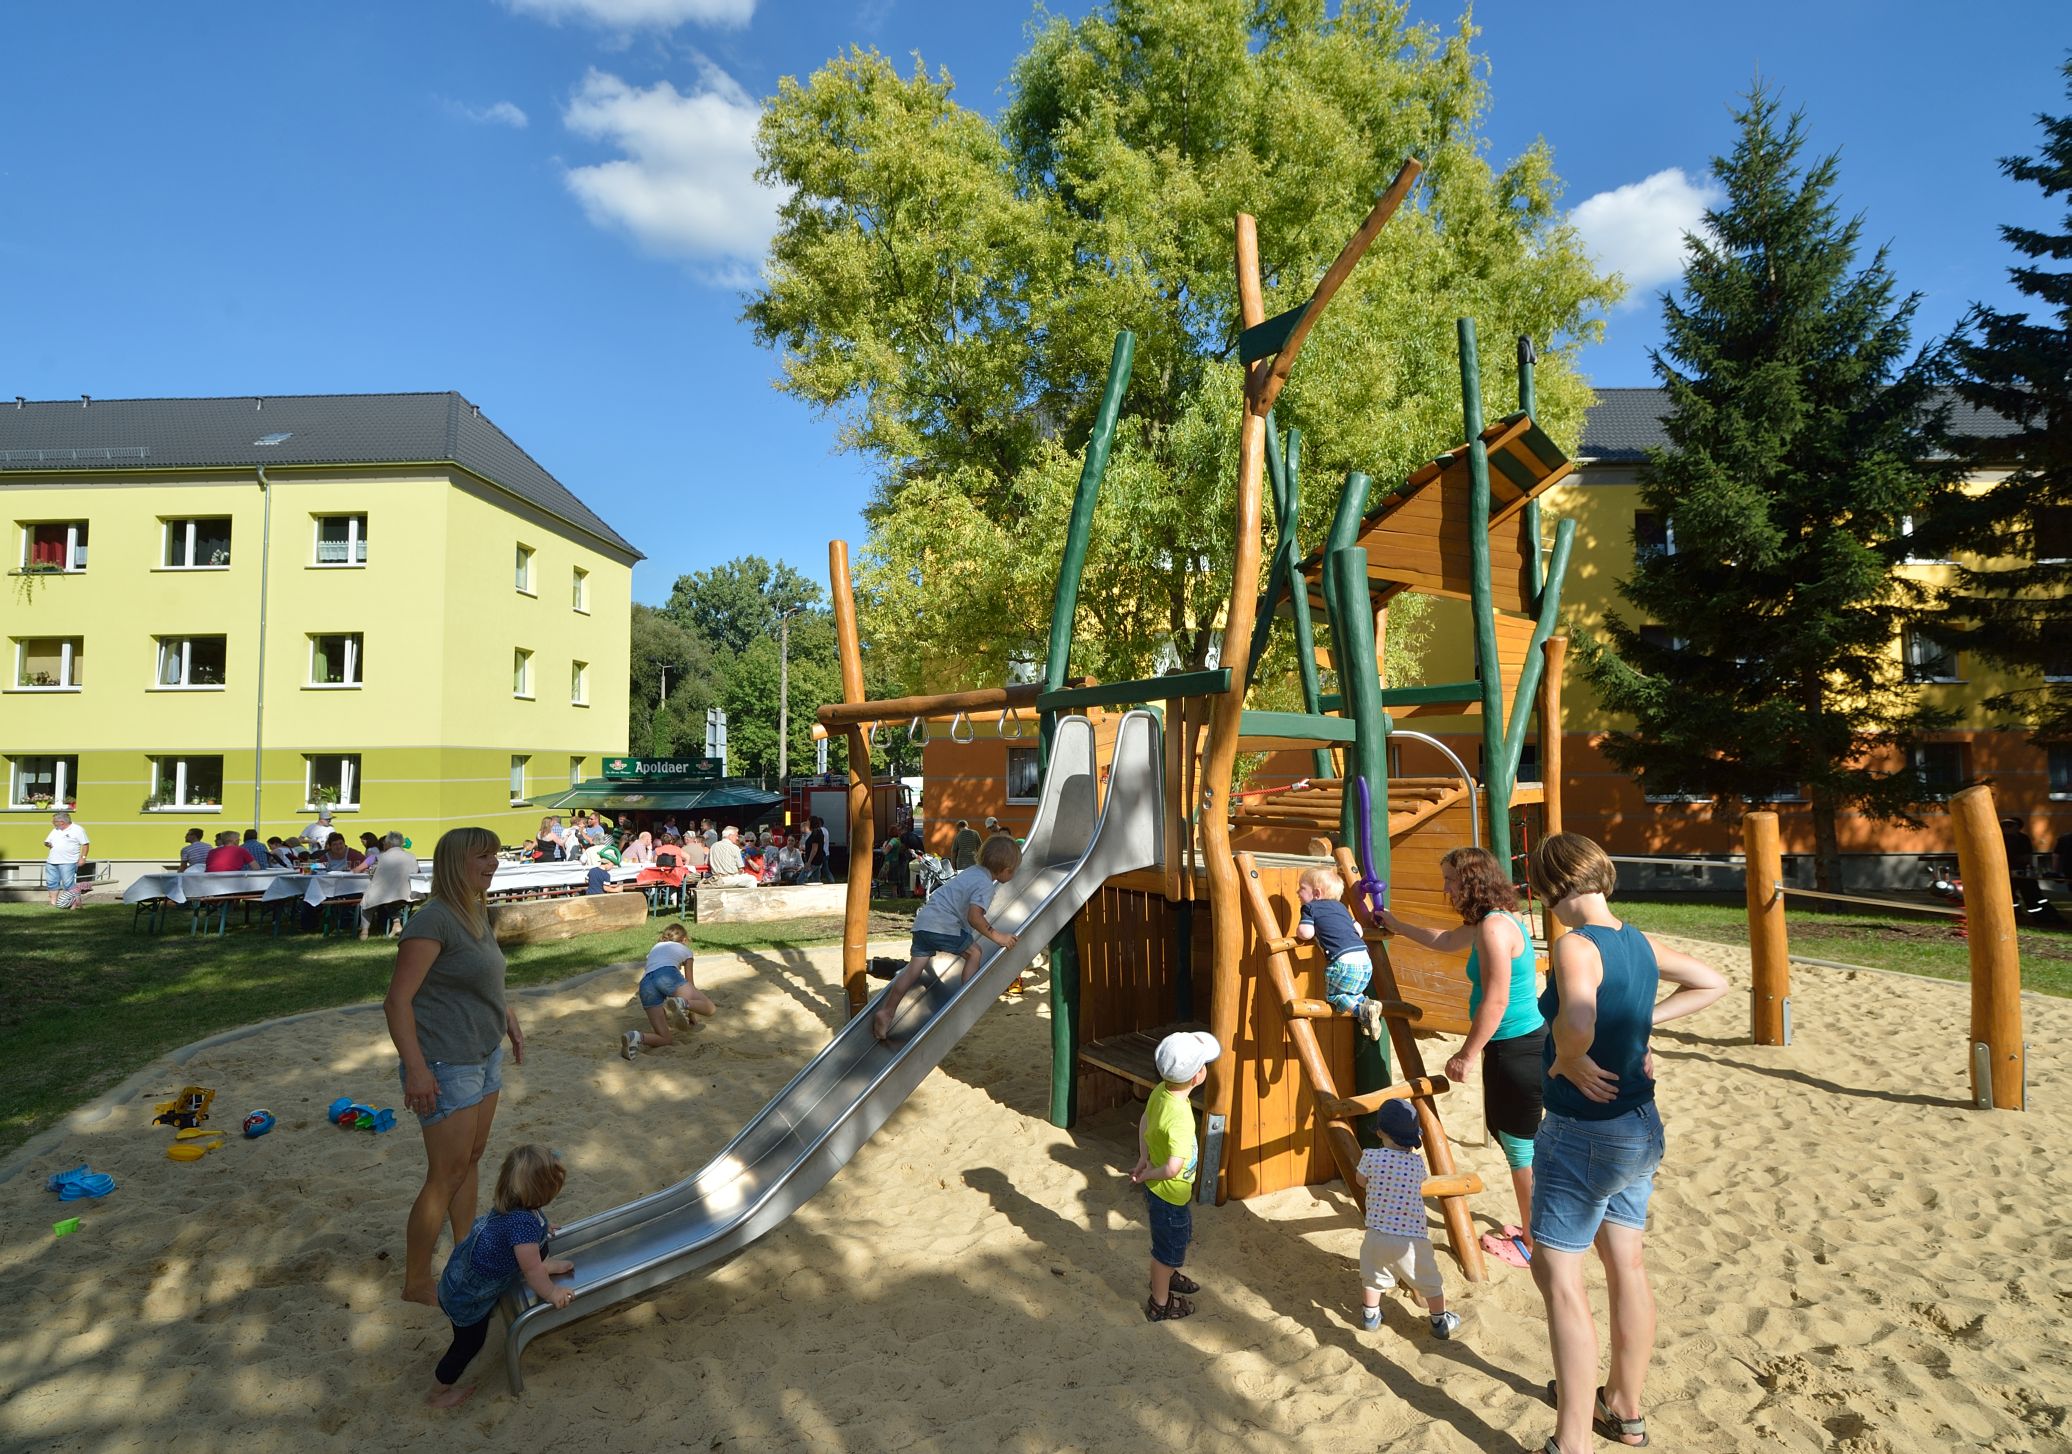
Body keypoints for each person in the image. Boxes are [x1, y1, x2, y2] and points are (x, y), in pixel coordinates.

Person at [1525, 833, 1728, 1454]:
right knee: (1627, 1266)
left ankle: (1573, 1441)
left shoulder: (1575, 944)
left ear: (1554, 887)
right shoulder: (1637, 940)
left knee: (1560, 1279)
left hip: (1582, 1132)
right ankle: (1623, 1407)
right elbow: (1711, 982)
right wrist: (1642, 1024)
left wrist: (1569, 1056)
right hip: (1639, 1126)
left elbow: (1579, 1016)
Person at [1377, 844, 1545, 1265]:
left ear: (1471, 881)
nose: (1446, 889)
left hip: (1517, 1050)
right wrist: (1397, 925)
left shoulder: (1494, 929)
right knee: (1516, 1141)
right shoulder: (1495, 920)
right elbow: (1447, 939)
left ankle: (1534, 1243)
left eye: (1451, 880)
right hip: (1515, 1046)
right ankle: (1537, 1229)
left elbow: (1496, 1000)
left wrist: (1467, 1054)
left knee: (1520, 1148)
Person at [382, 826, 527, 1306]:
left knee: (470, 1159)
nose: (493, 863)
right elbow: (397, 1002)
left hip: (483, 1054)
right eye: (482, 856)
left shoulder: (475, 911)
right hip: (446, 1063)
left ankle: (466, 1253)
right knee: (444, 1174)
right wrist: (417, 1069)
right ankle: (417, 1282)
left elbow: (481, 978)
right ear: (453, 863)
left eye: (495, 855)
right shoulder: (433, 921)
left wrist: (506, 1015)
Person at [425, 1143, 572, 1409]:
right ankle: (437, 1394)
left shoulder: (516, 1204)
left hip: (461, 1274)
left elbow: (525, 1233)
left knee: (534, 1252)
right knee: (469, 1344)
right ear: (542, 1191)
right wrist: (552, 1292)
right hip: (468, 1296)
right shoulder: (522, 1226)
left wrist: (543, 1226)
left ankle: (545, 1263)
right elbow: (530, 1272)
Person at [872, 834, 1020, 1041]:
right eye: (1014, 870)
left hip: (923, 924)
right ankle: (966, 998)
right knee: (975, 952)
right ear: (1006, 870)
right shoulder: (985, 884)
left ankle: (887, 1011)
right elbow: (975, 917)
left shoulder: (972, 871)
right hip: (941, 926)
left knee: (912, 971)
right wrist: (999, 937)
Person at [1352, 1099, 1463, 1338]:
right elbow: (1420, 1181)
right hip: (1412, 1239)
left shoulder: (1370, 1156)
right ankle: (1439, 1320)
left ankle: (1370, 1316)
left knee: (1372, 1277)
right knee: (1430, 1281)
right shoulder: (1416, 1162)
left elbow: (1360, 1181)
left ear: (1380, 1132)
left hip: (1377, 1234)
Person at [1130, 1030, 1219, 1322]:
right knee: (1166, 1250)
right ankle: (1160, 1302)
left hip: (1163, 1191)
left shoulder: (1160, 1091)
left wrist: (1143, 1158)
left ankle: (1166, 1275)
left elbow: (1145, 1121)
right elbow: (1173, 1168)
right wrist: (1150, 1173)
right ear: (1197, 1076)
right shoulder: (1180, 1118)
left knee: (1176, 1239)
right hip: (1169, 1193)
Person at [1294, 865, 1384, 1039]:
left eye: (1302, 888)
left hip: (1343, 963)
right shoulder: (1341, 907)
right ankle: (1368, 1005)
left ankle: (1362, 1011)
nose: (1298, 892)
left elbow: (1306, 933)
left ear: (1317, 893)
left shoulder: (1311, 908)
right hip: (1365, 961)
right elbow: (1359, 930)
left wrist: (1300, 932)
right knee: (1353, 994)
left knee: (1335, 996)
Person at [621, 923, 718, 1059]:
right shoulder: (686, 951)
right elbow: (690, 983)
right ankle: (682, 1003)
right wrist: (691, 1010)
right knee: (710, 1008)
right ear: (684, 940)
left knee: (665, 1038)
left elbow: (654, 972)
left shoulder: (655, 948)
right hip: (667, 975)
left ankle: (635, 1037)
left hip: (645, 984)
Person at [362, 832, 418, 939]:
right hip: (408, 894)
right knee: (390, 900)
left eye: (384, 843)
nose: (383, 845)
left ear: (388, 844)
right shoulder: (411, 857)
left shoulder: (381, 857)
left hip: (387, 895)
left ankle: (364, 931)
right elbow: (417, 872)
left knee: (367, 899)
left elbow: (373, 873)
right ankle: (396, 924)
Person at [2000, 816, 2046, 915]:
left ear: (2017, 827)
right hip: (2006, 872)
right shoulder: (1999, 837)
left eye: (2010, 825)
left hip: (2022, 871)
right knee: (2009, 895)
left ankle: (2041, 914)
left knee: (2031, 893)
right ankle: (2015, 913)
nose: (2006, 828)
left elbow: (2027, 854)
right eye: (2005, 825)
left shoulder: (2023, 838)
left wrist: (2028, 865)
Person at [43, 811, 90, 907]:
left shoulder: (78, 830)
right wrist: (47, 843)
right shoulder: (55, 830)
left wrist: (83, 858)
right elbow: (47, 842)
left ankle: (74, 903)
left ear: (62, 822)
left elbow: (85, 844)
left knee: (68, 884)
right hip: (52, 861)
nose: (52, 823)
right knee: (51, 882)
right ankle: (53, 903)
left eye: (54, 821)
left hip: (68, 862)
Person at [798, 816, 830, 883]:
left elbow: (814, 849)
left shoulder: (816, 833)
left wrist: (808, 863)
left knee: (800, 880)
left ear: (812, 823)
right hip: (817, 860)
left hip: (814, 861)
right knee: (816, 880)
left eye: (808, 822)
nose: (807, 823)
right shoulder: (817, 832)